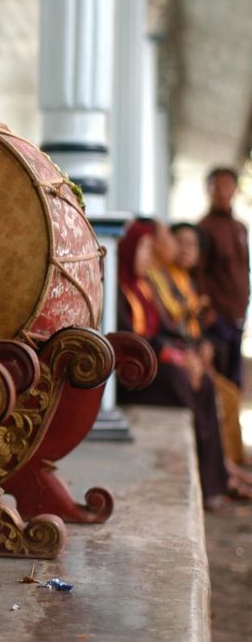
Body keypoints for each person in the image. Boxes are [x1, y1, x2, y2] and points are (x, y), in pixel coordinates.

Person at [117, 219, 245, 509]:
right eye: (144, 249)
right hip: (131, 375)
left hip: (151, 363)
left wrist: (186, 353)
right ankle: (210, 478)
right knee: (180, 380)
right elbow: (128, 338)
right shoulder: (121, 287)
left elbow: (162, 332)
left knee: (205, 383)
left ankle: (214, 481)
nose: (148, 257)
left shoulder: (142, 286)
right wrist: (177, 356)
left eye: (150, 249)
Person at [198, 167, 249, 388]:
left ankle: (231, 422)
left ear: (236, 190)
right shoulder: (204, 227)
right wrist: (208, 310)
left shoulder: (240, 227)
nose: (222, 192)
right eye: (216, 186)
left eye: (227, 186)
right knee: (219, 379)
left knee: (234, 379)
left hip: (237, 315)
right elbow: (199, 272)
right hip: (216, 318)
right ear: (208, 190)